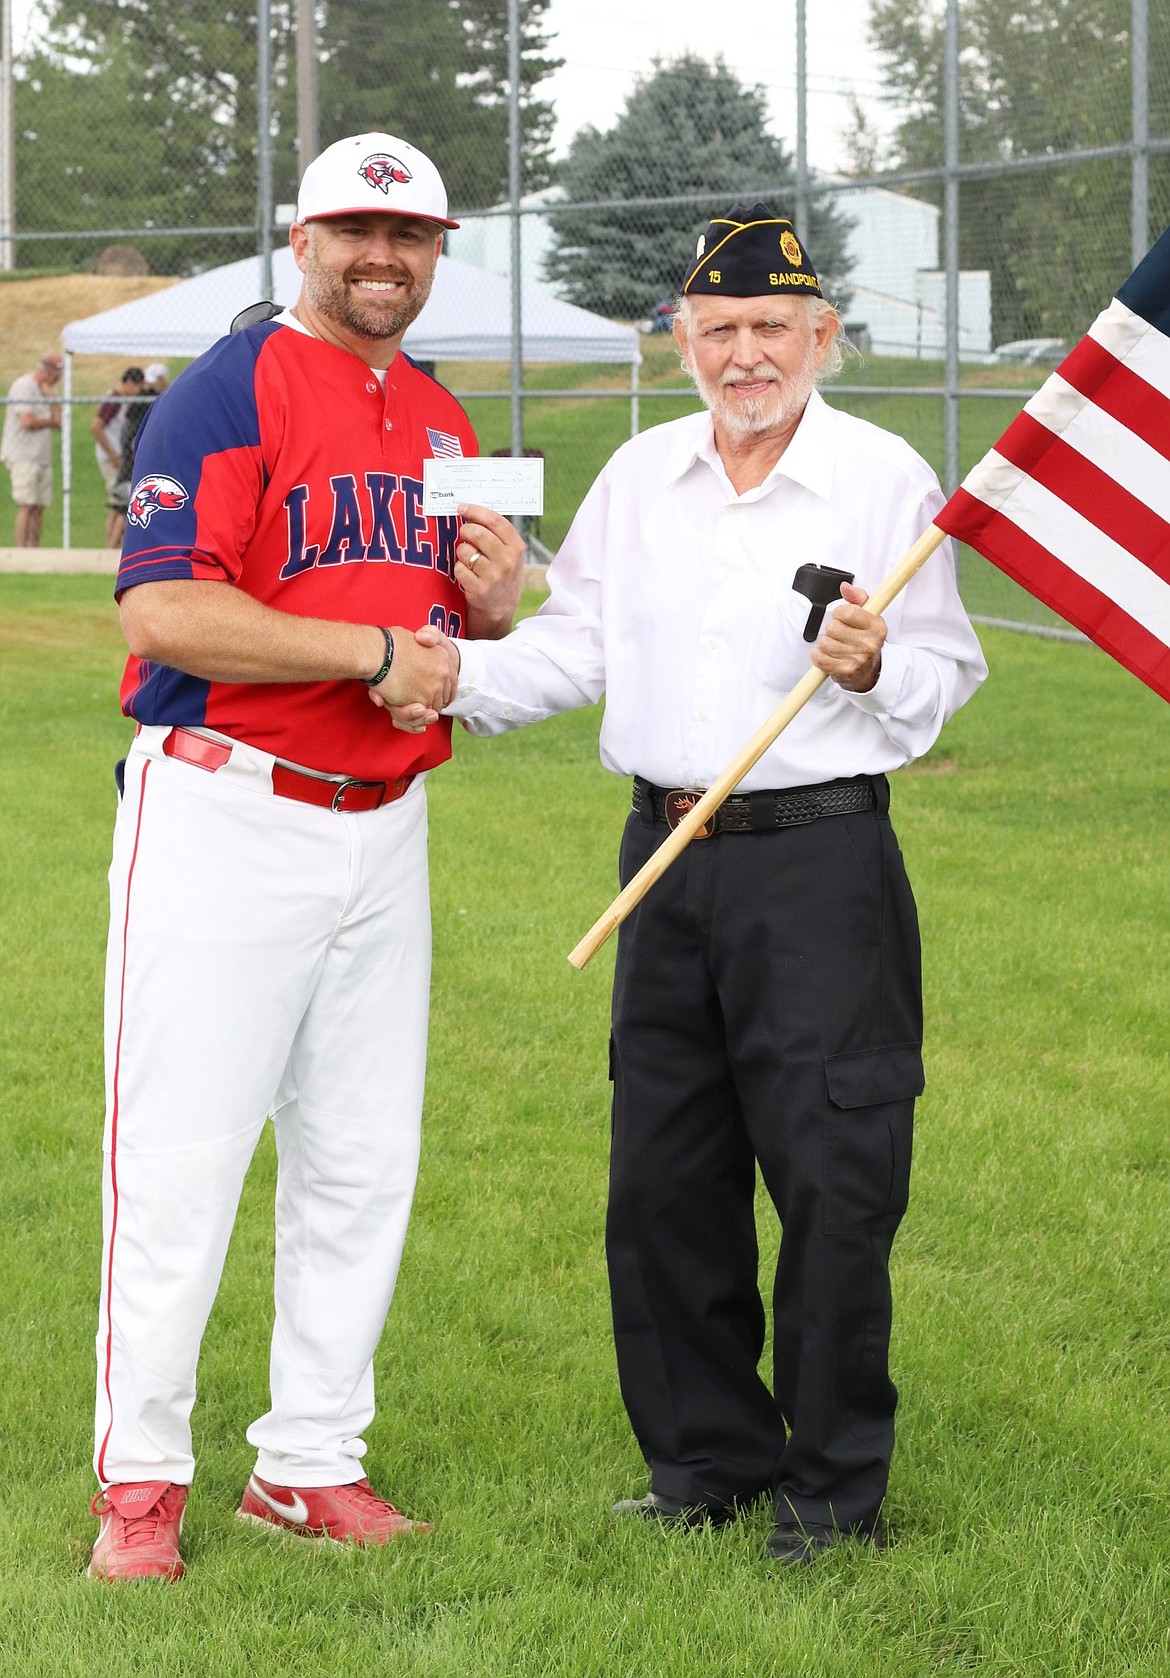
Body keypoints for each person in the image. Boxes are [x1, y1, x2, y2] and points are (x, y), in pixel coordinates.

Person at [419, 204, 988, 1564]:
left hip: (818, 866)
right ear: (681, 337)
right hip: (662, 861)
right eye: (718, 328)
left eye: (771, 329)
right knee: (663, 1176)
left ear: (821, 336)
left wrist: (867, 666)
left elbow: (941, 676)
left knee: (834, 1177)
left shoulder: (883, 476)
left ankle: (833, 1488)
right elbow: (571, 650)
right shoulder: (639, 474)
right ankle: (705, 1461)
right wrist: (435, 674)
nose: (744, 354)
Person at [88, 130, 524, 1584]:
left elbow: (438, 636)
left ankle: (309, 1462)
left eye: (406, 238)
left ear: (438, 252)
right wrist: (378, 646)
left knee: (358, 1162)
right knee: (181, 1161)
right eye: (352, 233)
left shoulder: (442, 412)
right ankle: (143, 1483)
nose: (378, 259)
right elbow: (163, 616)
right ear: (303, 238)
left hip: (381, 825)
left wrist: (491, 608)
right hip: (227, 806)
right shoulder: (228, 385)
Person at [1, 352, 63, 546]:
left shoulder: (49, 391)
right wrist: (49, 421)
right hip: (23, 454)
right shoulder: (24, 386)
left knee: (39, 506)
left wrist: (52, 398)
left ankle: (34, 549)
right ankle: (21, 550)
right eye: (58, 373)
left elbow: (60, 421)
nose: (60, 378)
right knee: (27, 504)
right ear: (48, 371)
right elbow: (27, 421)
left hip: (42, 456)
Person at [91, 366, 148, 547]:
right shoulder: (115, 400)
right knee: (120, 504)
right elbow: (96, 427)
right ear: (130, 383)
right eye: (138, 387)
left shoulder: (124, 402)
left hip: (121, 457)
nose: (139, 392)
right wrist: (113, 455)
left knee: (119, 504)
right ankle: (111, 545)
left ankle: (113, 544)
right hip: (113, 458)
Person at [108, 363, 168, 529]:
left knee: (120, 508)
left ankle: (110, 546)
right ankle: (111, 547)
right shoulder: (142, 407)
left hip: (128, 463)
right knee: (125, 509)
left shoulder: (135, 407)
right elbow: (135, 443)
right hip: (132, 467)